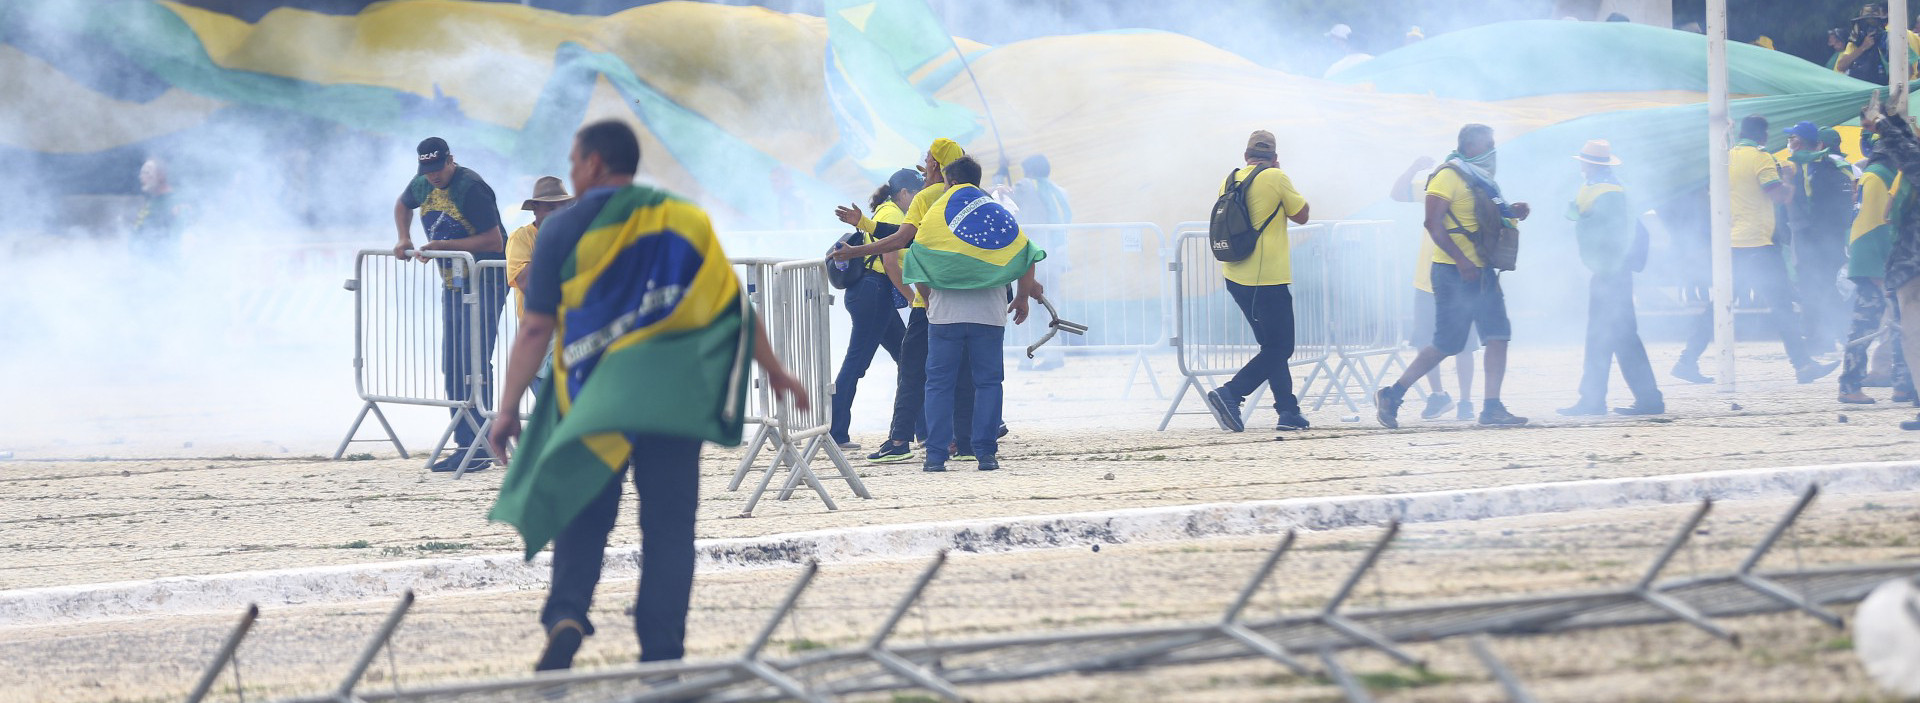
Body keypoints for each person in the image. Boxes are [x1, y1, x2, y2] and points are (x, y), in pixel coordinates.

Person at [487, 120, 808, 671]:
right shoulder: (683, 218)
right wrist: (776, 370)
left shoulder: (561, 233)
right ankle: (661, 652)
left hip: (595, 402)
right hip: (672, 400)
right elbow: (731, 302)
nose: (572, 171)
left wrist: (508, 405)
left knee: (584, 514)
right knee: (667, 528)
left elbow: (535, 329)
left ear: (592, 163)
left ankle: (566, 612)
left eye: (573, 160)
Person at [834, 153, 1045, 472]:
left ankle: (935, 456)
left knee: (938, 382)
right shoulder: (994, 210)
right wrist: (1024, 296)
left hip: (944, 313)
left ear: (949, 181)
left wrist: (927, 299)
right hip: (988, 313)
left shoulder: (937, 212)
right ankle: (984, 452)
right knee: (986, 382)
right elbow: (1027, 253)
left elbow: (913, 256)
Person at [1377, 124, 1533, 428]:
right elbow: (1432, 223)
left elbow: (1485, 217)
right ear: (1472, 146)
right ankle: (1392, 394)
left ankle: (1492, 407)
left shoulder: (1481, 179)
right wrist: (1461, 261)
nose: (1493, 150)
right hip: (1453, 273)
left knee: (1498, 335)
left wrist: (1512, 212)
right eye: (1488, 144)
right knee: (1447, 343)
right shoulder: (1447, 176)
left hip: (1483, 271)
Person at [1674, 116, 1839, 386]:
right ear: (1763, 136)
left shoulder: (1727, 157)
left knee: (1720, 306)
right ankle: (1803, 364)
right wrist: (1788, 181)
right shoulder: (1761, 158)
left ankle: (1686, 360)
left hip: (1733, 242)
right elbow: (1777, 194)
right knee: (1782, 306)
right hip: (1758, 244)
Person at [392, 137, 509, 472]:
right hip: (453, 283)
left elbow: (493, 240)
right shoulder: (422, 182)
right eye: (427, 171)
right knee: (453, 362)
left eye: (438, 169)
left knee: (474, 360)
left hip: (486, 281)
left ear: (450, 160)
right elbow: (402, 205)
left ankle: (482, 445)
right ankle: (465, 443)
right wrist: (404, 236)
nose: (434, 177)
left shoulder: (471, 188)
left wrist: (443, 244)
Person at [1202, 130, 1313, 433]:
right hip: (1268, 279)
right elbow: (1302, 215)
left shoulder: (1231, 178)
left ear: (1246, 156)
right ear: (1274, 157)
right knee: (1281, 347)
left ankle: (1288, 411)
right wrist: (1279, 177)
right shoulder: (1276, 178)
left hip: (1236, 276)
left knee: (1271, 345)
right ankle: (1231, 393)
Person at [1558, 140, 1664, 416]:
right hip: (1611, 272)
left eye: (1583, 161)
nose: (1581, 165)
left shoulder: (1607, 191)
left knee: (1609, 336)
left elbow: (1607, 233)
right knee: (1614, 336)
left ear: (1589, 164)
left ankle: (1601, 400)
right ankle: (1639, 398)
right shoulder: (1604, 186)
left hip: (1610, 272)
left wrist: (1581, 219)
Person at [824, 169, 917, 450]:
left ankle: (921, 428)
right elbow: (890, 263)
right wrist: (913, 300)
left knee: (908, 357)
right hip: (873, 292)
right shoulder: (893, 215)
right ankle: (835, 431)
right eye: (916, 195)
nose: (918, 202)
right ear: (904, 194)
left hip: (872, 293)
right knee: (857, 362)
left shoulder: (887, 210)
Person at [1390, 156, 1479, 421]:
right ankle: (1440, 396)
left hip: (1456, 276)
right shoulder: (1436, 186)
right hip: (1429, 279)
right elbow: (1396, 193)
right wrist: (1414, 168)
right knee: (1426, 341)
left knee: (1463, 344)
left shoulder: (1472, 191)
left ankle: (1465, 401)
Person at [1858, 91, 1920, 429]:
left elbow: (1911, 158)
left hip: (1914, 264)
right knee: (1912, 337)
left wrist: (1883, 123)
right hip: (1912, 263)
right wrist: (1893, 120)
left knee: (1914, 336)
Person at [1840, 127, 1915, 404]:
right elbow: (1874, 224)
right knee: (1866, 326)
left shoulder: (1876, 174)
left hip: (1877, 259)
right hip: (1875, 260)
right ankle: (1850, 385)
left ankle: (1903, 385)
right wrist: (1881, 272)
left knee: (1899, 325)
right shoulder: (1879, 176)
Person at [1785, 122, 1856, 354]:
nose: (1789, 143)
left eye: (1792, 138)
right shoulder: (1838, 165)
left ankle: (1827, 338)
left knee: (1814, 287)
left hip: (1809, 237)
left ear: (1801, 141)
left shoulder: (1800, 167)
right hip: (1832, 235)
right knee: (1826, 286)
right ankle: (1837, 336)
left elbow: (1801, 204)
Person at [506, 176, 573, 319]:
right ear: (535, 209)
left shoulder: (576, 233)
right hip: (538, 324)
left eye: (564, 207)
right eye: (551, 208)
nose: (559, 213)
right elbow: (526, 283)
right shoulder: (521, 237)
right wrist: (550, 241)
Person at [132, 157, 187, 257]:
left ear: (161, 175)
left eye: (146, 172)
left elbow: (182, 241)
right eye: (141, 173)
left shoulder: (175, 202)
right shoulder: (152, 201)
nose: (141, 177)